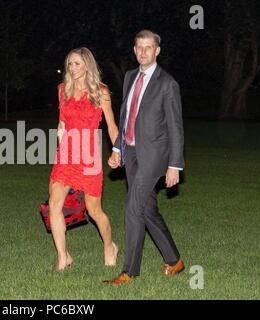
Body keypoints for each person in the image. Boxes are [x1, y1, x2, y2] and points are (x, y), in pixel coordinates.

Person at [105, 30, 185, 285]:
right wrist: (118, 148)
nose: (143, 52)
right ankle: (174, 261)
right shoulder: (130, 77)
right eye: (139, 47)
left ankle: (129, 271)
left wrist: (174, 165)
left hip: (154, 156)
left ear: (157, 50)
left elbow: (175, 127)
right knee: (147, 209)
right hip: (132, 151)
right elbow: (125, 117)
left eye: (148, 47)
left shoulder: (167, 83)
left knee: (133, 207)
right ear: (135, 49)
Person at [49, 47, 119, 271]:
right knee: (54, 204)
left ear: (87, 65)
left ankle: (110, 246)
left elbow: (111, 126)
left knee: (94, 210)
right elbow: (61, 123)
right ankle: (63, 256)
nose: (72, 68)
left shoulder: (100, 92)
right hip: (67, 155)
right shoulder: (63, 90)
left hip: (89, 156)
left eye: (77, 63)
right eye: (70, 63)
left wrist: (117, 151)